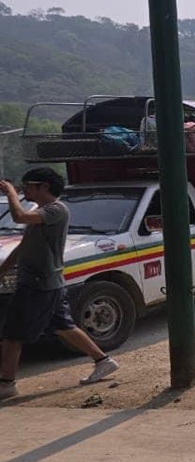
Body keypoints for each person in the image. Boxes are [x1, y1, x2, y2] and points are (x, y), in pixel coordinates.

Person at [0, 169, 120, 401]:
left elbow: (19, 217)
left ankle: (6, 383)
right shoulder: (41, 212)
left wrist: (11, 193)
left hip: (39, 283)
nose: (25, 190)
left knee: (13, 334)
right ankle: (103, 361)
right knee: (62, 325)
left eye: (28, 185)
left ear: (44, 187)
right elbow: (25, 244)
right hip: (44, 282)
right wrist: (4, 269)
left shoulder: (56, 210)